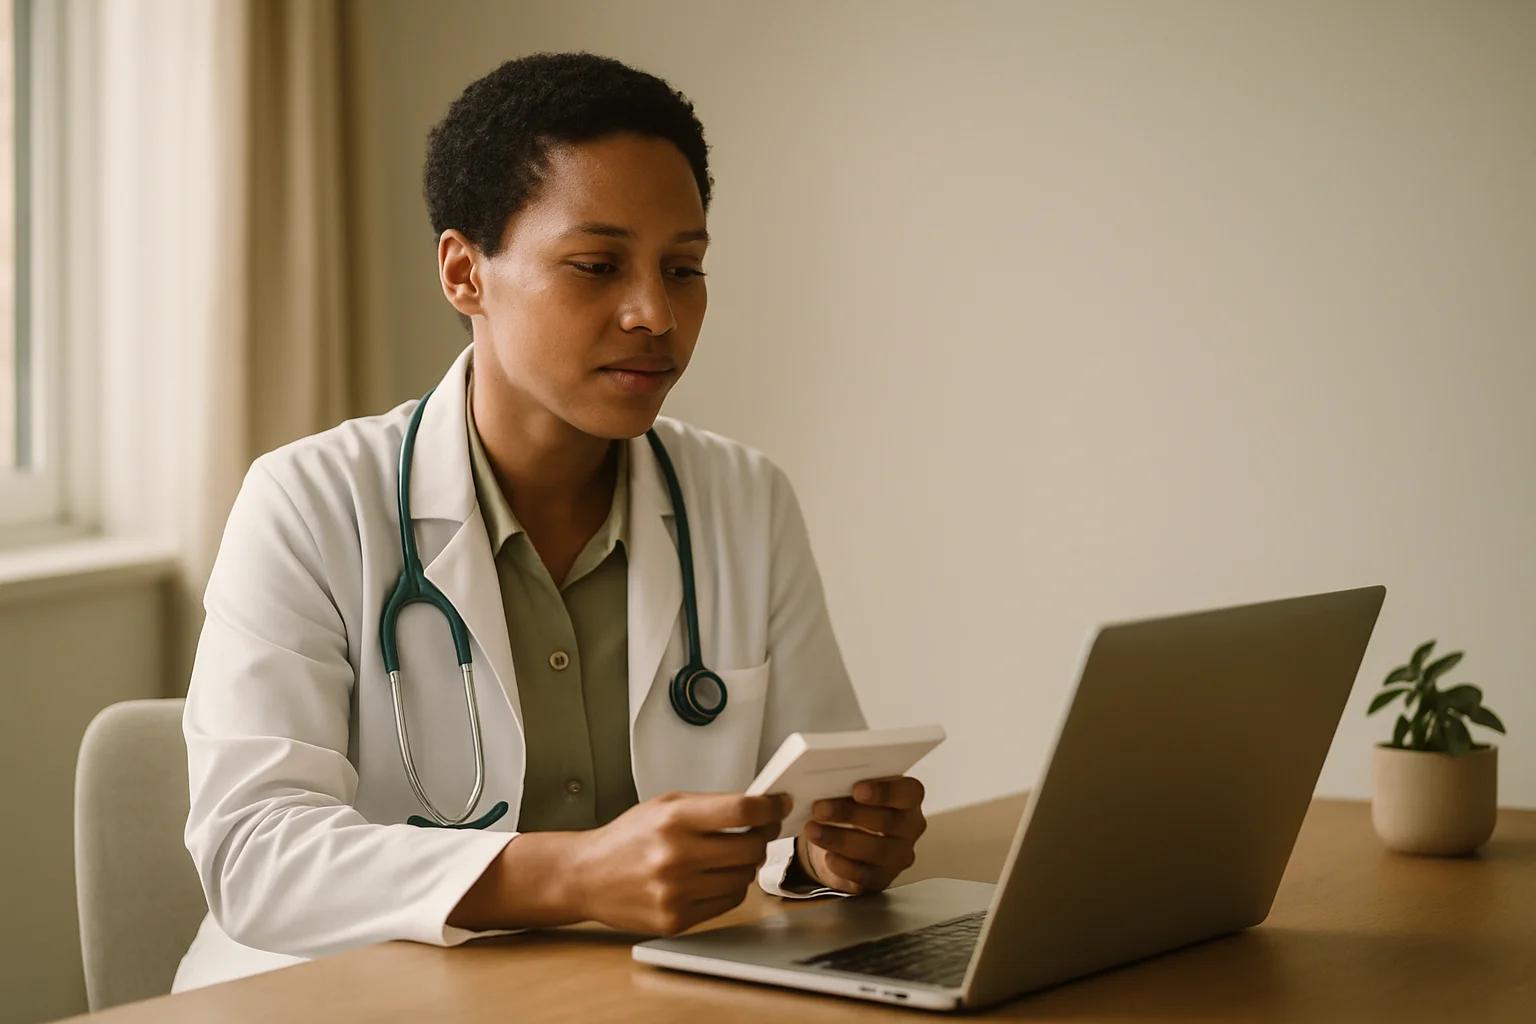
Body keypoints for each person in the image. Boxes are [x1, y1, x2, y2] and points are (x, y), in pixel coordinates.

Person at [173, 51, 928, 994]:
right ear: (465, 273)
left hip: (620, 996)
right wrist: (571, 872)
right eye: (596, 265)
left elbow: (804, 811)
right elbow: (255, 855)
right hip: (334, 995)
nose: (656, 313)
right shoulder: (308, 502)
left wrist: (832, 852)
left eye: (683, 268)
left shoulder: (743, 499)